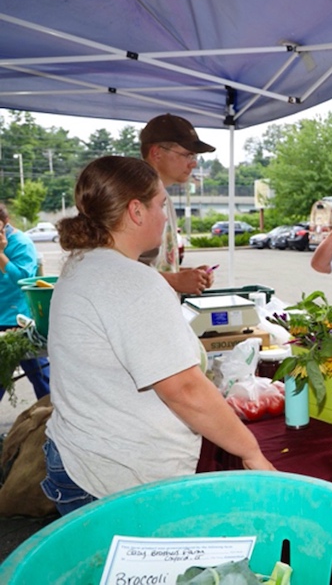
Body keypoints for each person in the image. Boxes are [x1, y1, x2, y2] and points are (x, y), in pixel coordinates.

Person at [42, 156, 275, 516]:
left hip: (83, 460)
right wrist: (250, 451)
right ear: (136, 211)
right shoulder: (131, 281)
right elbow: (184, 389)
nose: (165, 216)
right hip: (112, 478)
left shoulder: (86, 263)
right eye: (161, 204)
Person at [139, 113, 215, 295]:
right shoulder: (135, 200)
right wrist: (175, 281)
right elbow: (120, 271)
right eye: (188, 155)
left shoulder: (165, 200)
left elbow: (153, 268)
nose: (194, 164)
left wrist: (187, 275)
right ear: (156, 153)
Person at [0, 204, 50, 400]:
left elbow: (24, 280)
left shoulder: (21, 244)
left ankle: (51, 418)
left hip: (18, 319)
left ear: (5, 225)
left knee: (39, 375)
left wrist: (1, 254)